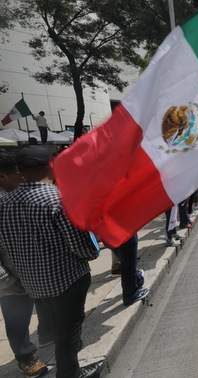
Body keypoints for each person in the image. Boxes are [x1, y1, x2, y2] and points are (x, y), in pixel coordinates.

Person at [0, 146, 105, 378]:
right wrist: (93, 251)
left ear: (20, 170)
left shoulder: (4, 204)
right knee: (69, 330)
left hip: (32, 282)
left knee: (60, 328)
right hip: (67, 279)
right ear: (53, 165)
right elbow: (82, 247)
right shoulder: (59, 200)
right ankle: (70, 373)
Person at [0, 152, 49, 377]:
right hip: (11, 277)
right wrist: (5, 281)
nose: (21, 178)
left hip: (28, 268)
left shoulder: (14, 195)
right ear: (2, 176)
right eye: (16, 174)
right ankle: (26, 357)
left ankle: (45, 336)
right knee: (17, 318)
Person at [104, 234, 149, 306]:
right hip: (123, 234)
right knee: (128, 264)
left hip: (107, 235)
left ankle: (137, 279)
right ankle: (131, 295)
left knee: (125, 260)